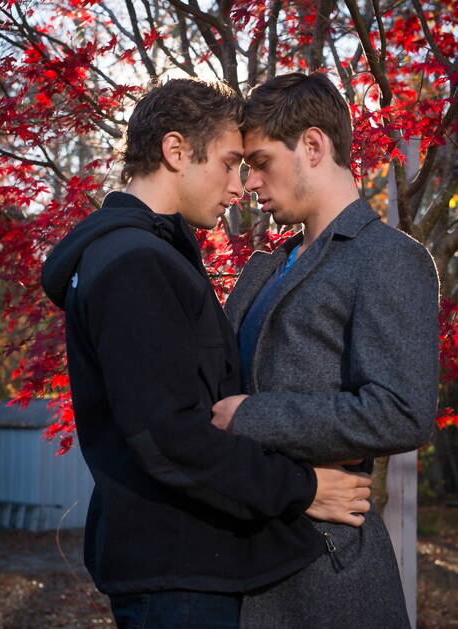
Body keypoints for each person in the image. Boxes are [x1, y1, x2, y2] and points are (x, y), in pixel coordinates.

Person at [41, 77, 372, 629]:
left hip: (188, 562)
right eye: (229, 162)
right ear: (176, 151)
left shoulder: (145, 254)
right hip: (177, 573)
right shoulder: (134, 262)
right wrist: (304, 488)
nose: (240, 186)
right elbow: (171, 435)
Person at [211, 72, 439, 629]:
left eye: (261, 161)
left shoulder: (387, 257)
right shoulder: (264, 267)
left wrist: (251, 417)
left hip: (326, 575)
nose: (250, 182)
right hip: (235, 560)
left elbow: (402, 412)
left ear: (313, 146)